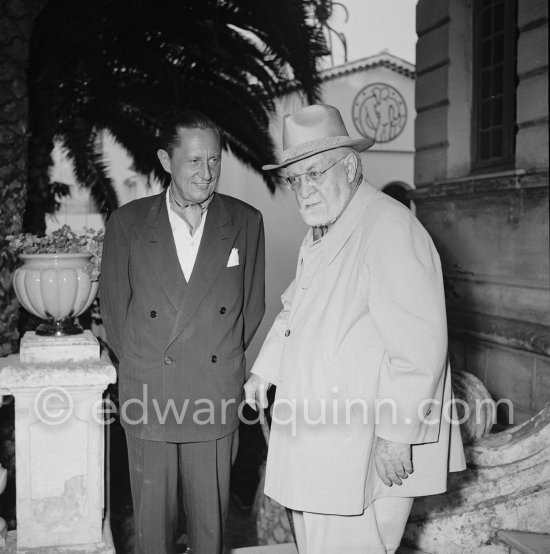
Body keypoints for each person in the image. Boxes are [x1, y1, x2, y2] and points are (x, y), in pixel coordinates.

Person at [244, 104, 465, 554]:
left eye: (315, 174)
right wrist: (263, 373)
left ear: (349, 166)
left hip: (360, 450)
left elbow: (419, 346)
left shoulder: (387, 227)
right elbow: (295, 312)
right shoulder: (327, 230)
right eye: (295, 179)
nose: (304, 191)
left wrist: (396, 435)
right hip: (324, 444)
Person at [100, 110, 265, 554]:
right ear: (166, 160)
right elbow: (115, 313)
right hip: (150, 390)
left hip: (213, 392)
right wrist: (147, 364)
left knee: (210, 531)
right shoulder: (127, 224)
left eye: (214, 161)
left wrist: (216, 358)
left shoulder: (246, 222)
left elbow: (251, 308)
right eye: (193, 161)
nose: (206, 173)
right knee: (152, 532)